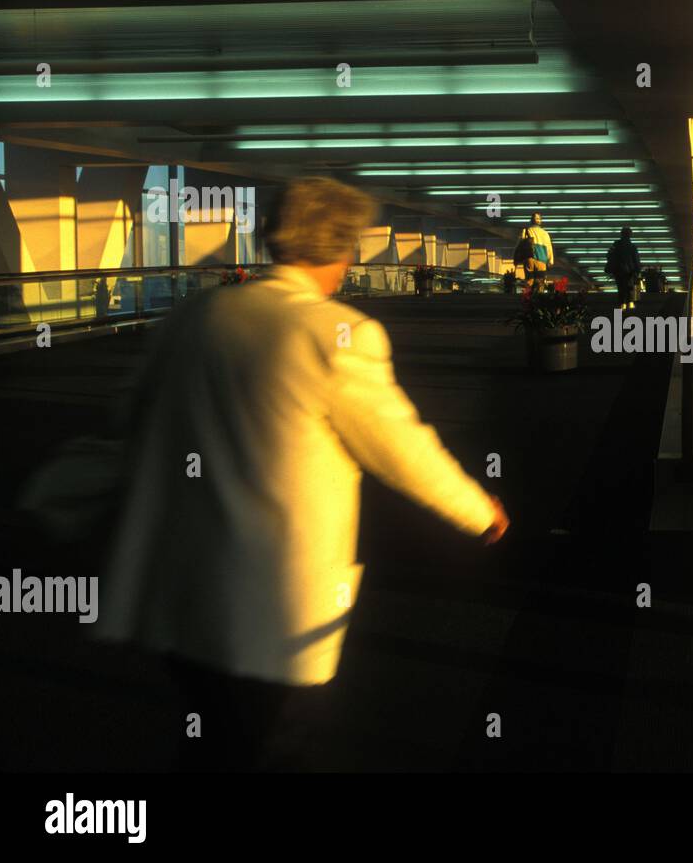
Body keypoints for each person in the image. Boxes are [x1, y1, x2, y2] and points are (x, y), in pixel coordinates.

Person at [96, 176, 510, 771]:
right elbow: (398, 446)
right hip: (273, 606)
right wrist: (478, 510)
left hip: (179, 589)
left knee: (215, 740)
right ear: (342, 249)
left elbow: (125, 416)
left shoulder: (195, 315)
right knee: (274, 745)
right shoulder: (339, 335)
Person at [604, 226, 642, 310]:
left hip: (618, 270)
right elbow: (636, 259)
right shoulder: (632, 246)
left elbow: (609, 255)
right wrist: (637, 270)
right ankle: (630, 304)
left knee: (621, 287)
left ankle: (622, 305)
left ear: (621, 234)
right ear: (630, 235)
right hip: (630, 271)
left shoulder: (616, 244)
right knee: (629, 287)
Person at [516, 212, 555, 291]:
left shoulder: (525, 231)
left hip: (529, 258)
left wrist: (516, 258)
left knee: (529, 280)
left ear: (531, 220)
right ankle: (539, 298)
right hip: (541, 259)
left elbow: (519, 245)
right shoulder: (545, 233)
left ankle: (527, 298)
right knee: (540, 281)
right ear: (540, 221)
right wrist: (551, 260)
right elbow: (548, 246)